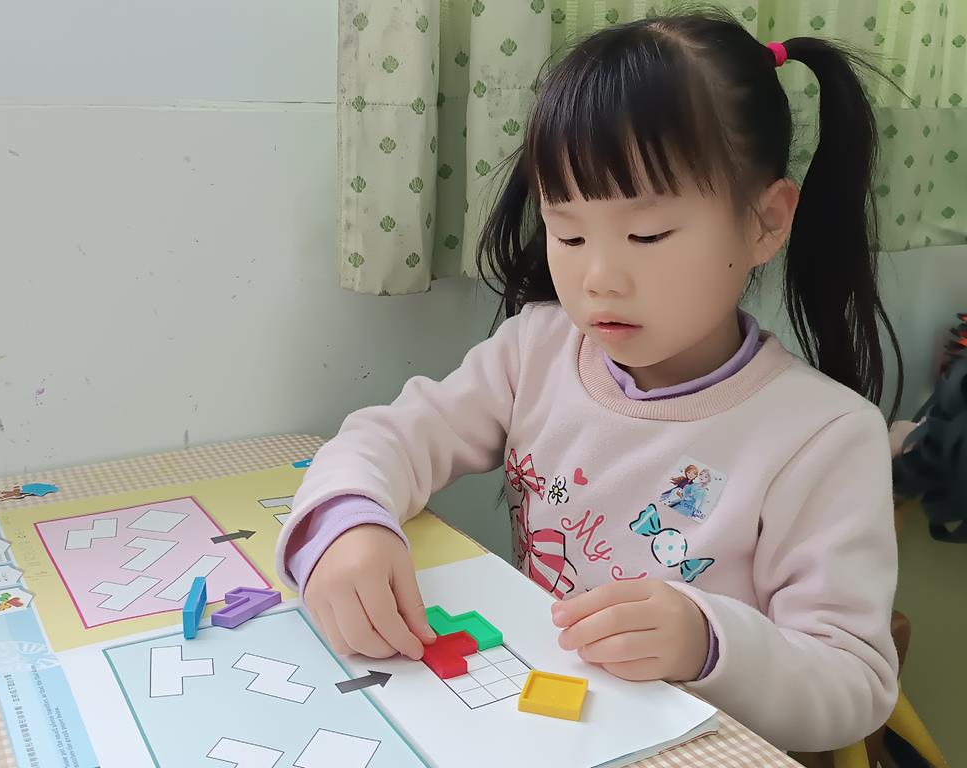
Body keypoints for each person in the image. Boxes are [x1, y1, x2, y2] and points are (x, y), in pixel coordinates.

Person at [276, 8, 905, 752]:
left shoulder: (825, 435)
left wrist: (708, 642)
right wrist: (346, 524)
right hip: (541, 726)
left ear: (766, 221)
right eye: (569, 233)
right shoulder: (536, 350)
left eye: (647, 234)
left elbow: (853, 686)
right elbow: (391, 438)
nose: (599, 278)